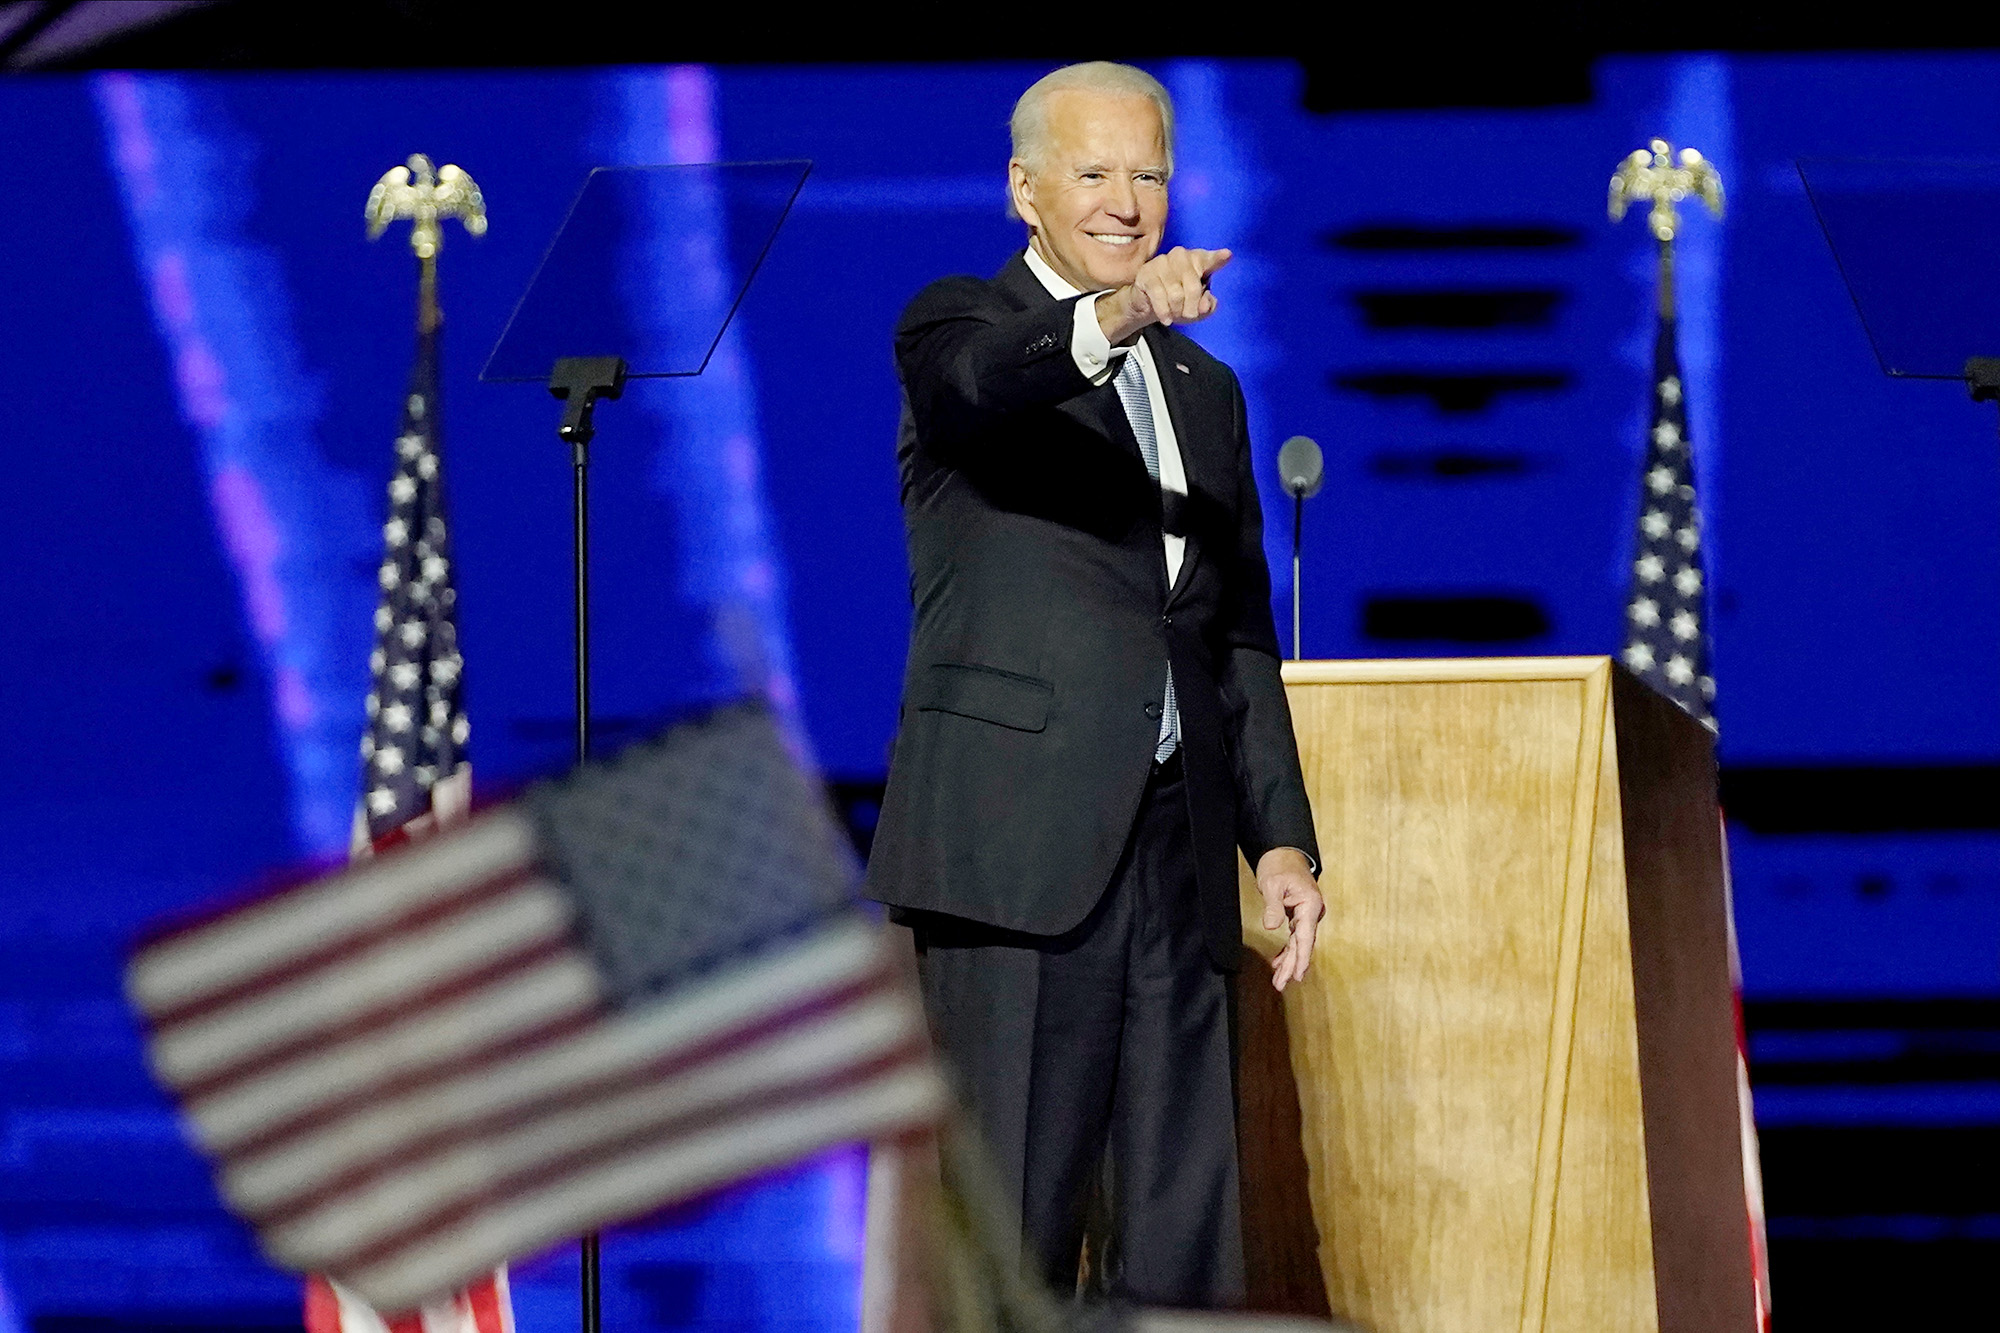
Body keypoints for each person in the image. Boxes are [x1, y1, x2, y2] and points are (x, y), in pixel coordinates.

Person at [864, 60, 1323, 1308]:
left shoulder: (1205, 390)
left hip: (1176, 854)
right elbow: (983, 389)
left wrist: (1280, 841)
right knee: (1009, 1233)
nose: (1127, 201)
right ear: (1023, 188)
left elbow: (1229, 631)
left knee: (1185, 1225)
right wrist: (1117, 317)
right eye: (1093, 171)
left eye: (1149, 173)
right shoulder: (953, 327)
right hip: (1015, 859)